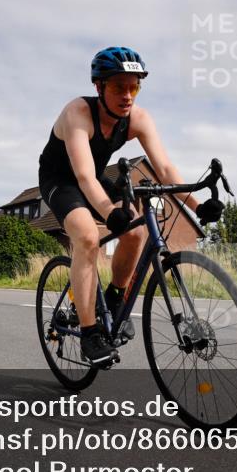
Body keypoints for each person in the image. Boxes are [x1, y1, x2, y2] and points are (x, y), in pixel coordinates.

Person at [38, 46, 224, 365]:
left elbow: (164, 168)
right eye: (118, 87)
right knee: (87, 237)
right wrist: (110, 213)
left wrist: (197, 206)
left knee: (136, 232)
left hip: (95, 177)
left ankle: (113, 300)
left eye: (134, 87)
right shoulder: (78, 113)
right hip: (61, 180)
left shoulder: (137, 118)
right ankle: (90, 334)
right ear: (99, 87)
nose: (127, 96)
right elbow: (83, 176)